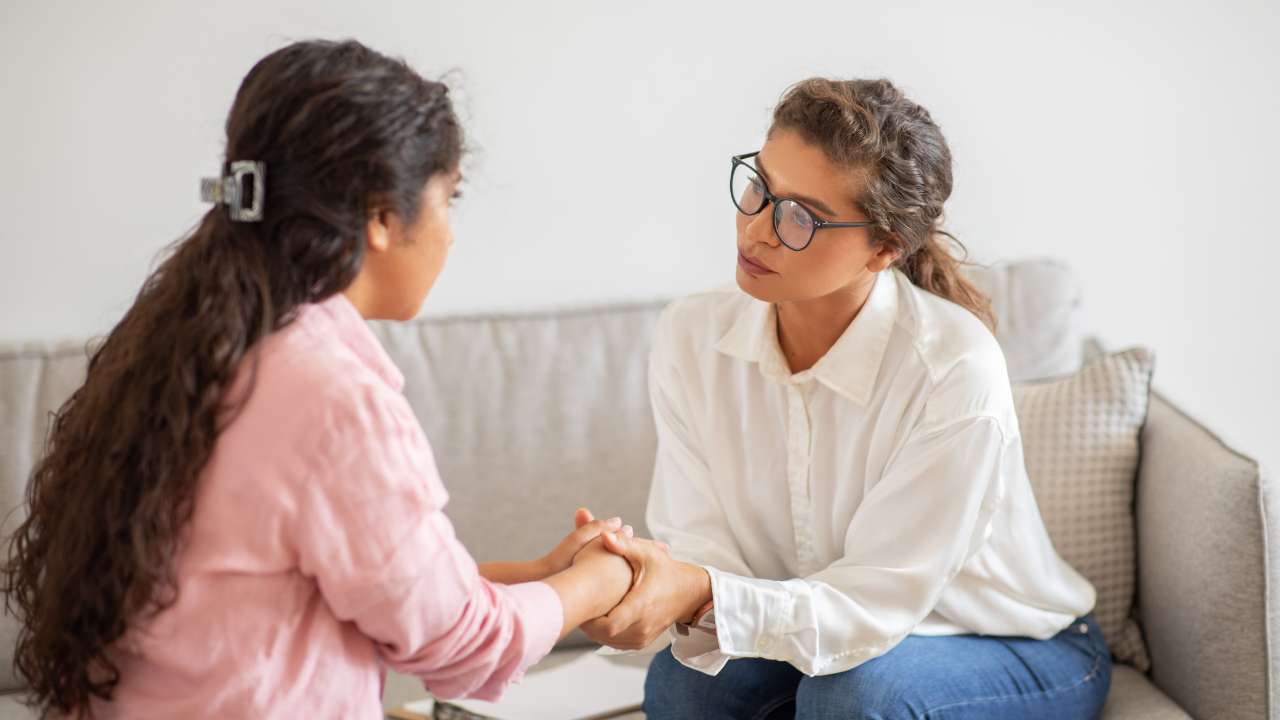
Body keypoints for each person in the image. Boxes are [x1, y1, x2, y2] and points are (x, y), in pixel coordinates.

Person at [1, 40, 641, 720]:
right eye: (449, 199)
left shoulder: (194, 343)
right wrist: (605, 580)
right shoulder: (332, 396)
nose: (450, 236)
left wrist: (543, 580)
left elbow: (316, 588)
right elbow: (462, 646)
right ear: (382, 216)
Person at [587, 78, 1111, 719]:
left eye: (800, 217)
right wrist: (661, 586)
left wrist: (700, 592)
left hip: (1010, 645)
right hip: (831, 634)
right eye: (760, 187)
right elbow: (702, 543)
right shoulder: (691, 335)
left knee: (855, 697)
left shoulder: (954, 370)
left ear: (884, 249)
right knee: (684, 682)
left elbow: (872, 605)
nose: (755, 230)